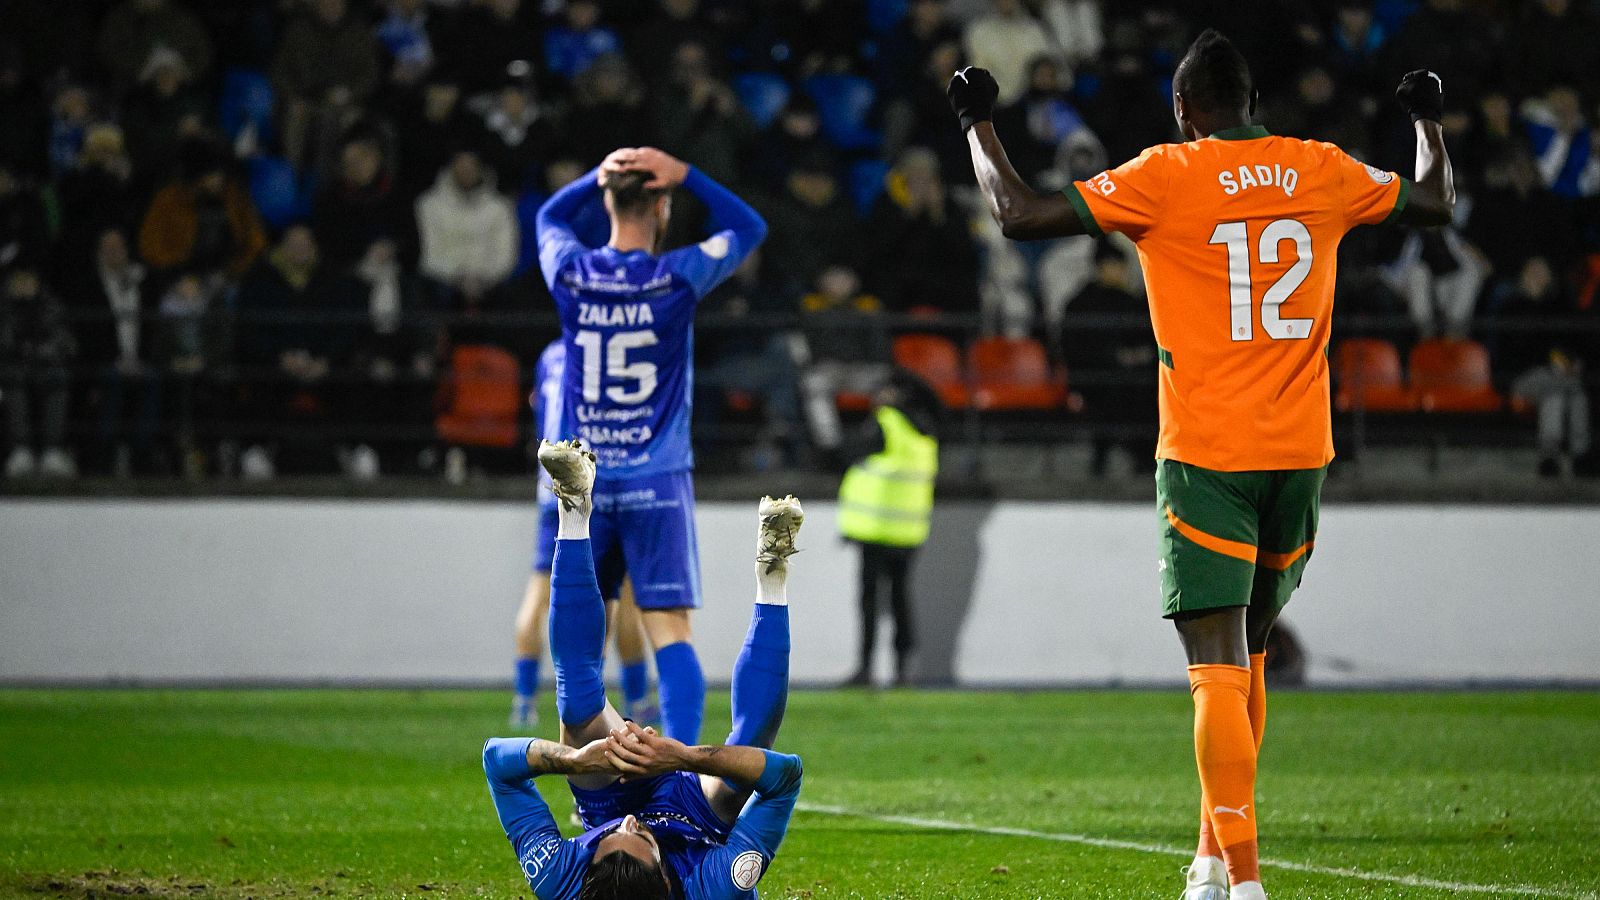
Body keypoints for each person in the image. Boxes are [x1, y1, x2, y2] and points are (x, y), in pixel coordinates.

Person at [948, 30, 1456, 900]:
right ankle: (1211, 862)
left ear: (1184, 110)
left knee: (1215, 664)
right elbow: (1438, 205)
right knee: (1249, 657)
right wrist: (1429, 124)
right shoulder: (1320, 166)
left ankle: (1247, 883)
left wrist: (977, 123)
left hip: (1208, 453)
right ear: (1252, 102)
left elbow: (1019, 214)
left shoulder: (1165, 174)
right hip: (1300, 450)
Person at [483, 440, 804, 899]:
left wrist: (573, 761)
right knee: (748, 753)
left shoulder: (561, 877)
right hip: (698, 821)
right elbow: (785, 777)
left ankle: (572, 506)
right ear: (668, 880)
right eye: (643, 838)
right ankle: (772, 576)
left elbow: (496, 762)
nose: (634, 825)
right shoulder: (712, 887)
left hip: (609, 798)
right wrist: (686, 757)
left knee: (576, 706)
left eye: (606, 842)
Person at [536, 146, 766, 744]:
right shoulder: (677, 276)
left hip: (583, 488)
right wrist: (687, 172)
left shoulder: (571, 272)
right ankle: (680, 773)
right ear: (662, 205)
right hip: (656, 481)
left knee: (585, 643)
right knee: (669, 630)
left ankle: (589, 789)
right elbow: (750, 227)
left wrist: (595, 172)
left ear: (608, 201)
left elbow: (548, 221)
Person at [512, 340, 657, 729]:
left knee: (539, 595)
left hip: (551, 485)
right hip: (595, 482)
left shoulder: (548, 356)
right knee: (620, 597)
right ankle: (633, 699)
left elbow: (541, 414)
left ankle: (524, 700)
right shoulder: (600, 350)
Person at [838, 370, 940, 688]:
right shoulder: (924, 433)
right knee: (901, 600)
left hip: (876, 529)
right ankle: (903, 670)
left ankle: (865, 668)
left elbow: (847, 454)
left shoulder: (885, 423)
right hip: (909, 531)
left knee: (869, 601)